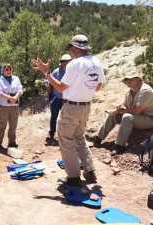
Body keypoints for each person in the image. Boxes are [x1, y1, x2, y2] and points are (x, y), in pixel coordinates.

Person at [33, 34, 106, 185]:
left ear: (74, 48)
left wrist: (46, 72)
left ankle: (73, 177)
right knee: (80, 138)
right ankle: (90, 171)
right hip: (86, 106)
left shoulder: (74, 64)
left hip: (72, 106)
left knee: (66, 140)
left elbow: (60, 87)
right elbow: (98, 87)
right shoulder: (96, 61)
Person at [87, 71, 153, 156]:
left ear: (138, 79)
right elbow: (125, 106)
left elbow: (137, 110)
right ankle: (98, 138)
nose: (128, 81)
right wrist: (119, 108)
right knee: (114, 115)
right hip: (139, 118)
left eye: (131, 79)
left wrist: (118, 111)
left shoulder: (145, 90)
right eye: (126, 79)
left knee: (127, 117)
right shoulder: (130, 92)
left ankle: (120, 146)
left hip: (151, 118)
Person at [0, 63, 23, 149]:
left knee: (13, 125)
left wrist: (15, 98)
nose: (8, 71)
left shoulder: (16, 78)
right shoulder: (0, 80)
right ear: (3, 71)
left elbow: (20, 89)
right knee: (2, 125)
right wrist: (10, 97)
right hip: (4, 106)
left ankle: (12, 142)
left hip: (14, 106)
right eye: (6, 69)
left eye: (10, 69)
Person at [45, 54, 72, 142]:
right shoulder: (56, 72)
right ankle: (52, 133)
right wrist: (48, 97)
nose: (66, 63)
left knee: (66, 118)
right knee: (54, 117)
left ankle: (65, 135)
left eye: (68, 61)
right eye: (65, 61)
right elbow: (50, 86)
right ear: (62, 62)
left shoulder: (73, 72)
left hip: (67, 100)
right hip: (56, 98)